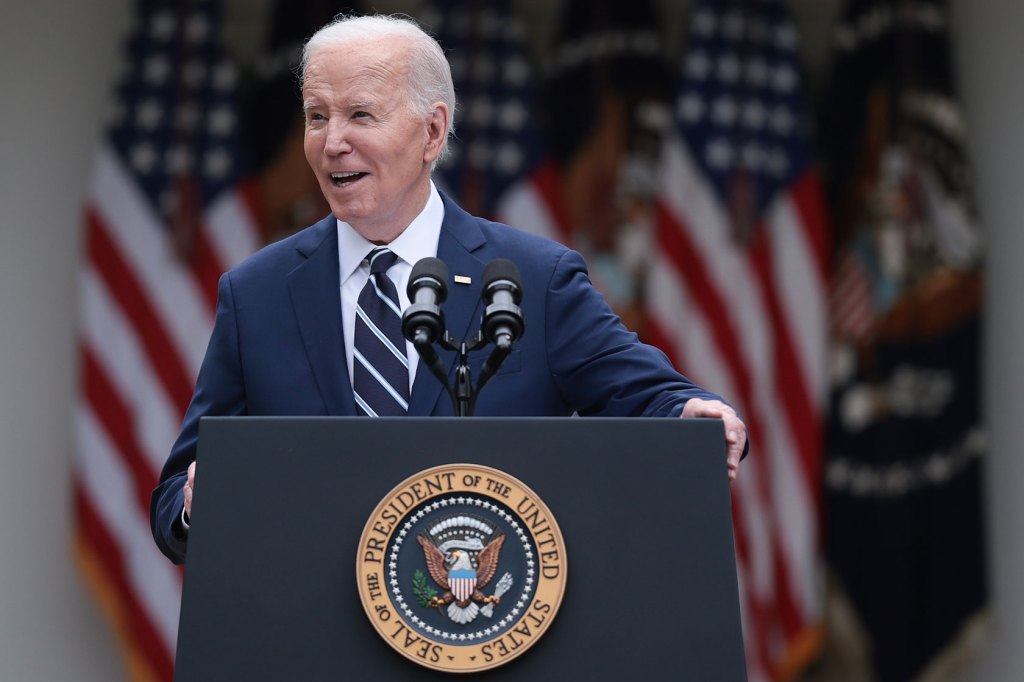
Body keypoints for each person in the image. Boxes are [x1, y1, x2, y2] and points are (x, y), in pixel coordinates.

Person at [150, 14, 747, 565]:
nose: (332, 142)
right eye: (316, 116)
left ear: (432, 131)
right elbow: (175, 498)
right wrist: (195, 503)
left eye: (360, 115)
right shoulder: (257, 293)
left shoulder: (532, 280)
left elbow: (648, 396)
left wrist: (692, 416)